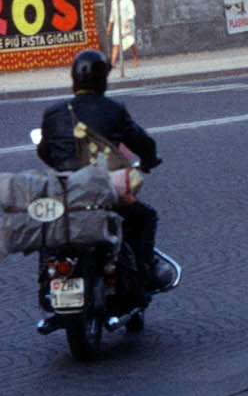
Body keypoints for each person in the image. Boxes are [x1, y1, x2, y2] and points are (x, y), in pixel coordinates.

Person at [39, 49, 165, 288]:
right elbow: (142, 142)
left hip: (65, 192)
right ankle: (145, 271)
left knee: (48, 225)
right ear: (103, 80)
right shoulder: (113, 110)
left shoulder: (53, 112)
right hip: (102, 193)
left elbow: (45, 152)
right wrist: (149, 160)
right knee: (146, 218)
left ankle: (46, 278)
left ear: (74, 78)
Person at [105, 0, 138, 73]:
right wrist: (109, 26)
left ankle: (135, 57)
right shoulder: (113, 1)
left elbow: (132, 12)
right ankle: (112, 63)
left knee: (131, 43)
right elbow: (112, 15)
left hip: (127, 25)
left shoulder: (128, 0)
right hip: (117, 26)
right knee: (116, 45)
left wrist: (128, 21)